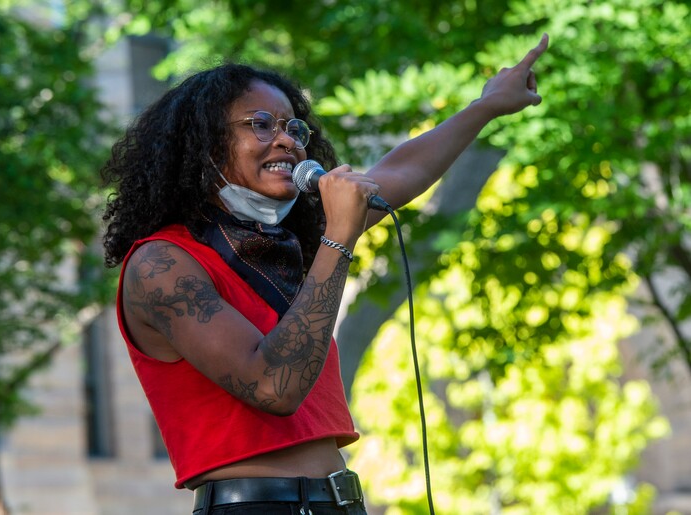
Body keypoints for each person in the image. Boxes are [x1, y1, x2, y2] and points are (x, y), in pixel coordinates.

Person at [101, 33, 549, 515]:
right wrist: (338, 238)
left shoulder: (288, 243)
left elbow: (399, 172)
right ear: (204, 143)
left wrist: (484, 107)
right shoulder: (161, 264)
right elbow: (273, 387)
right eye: (260, 124)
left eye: (294, 128)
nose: (287, 140)